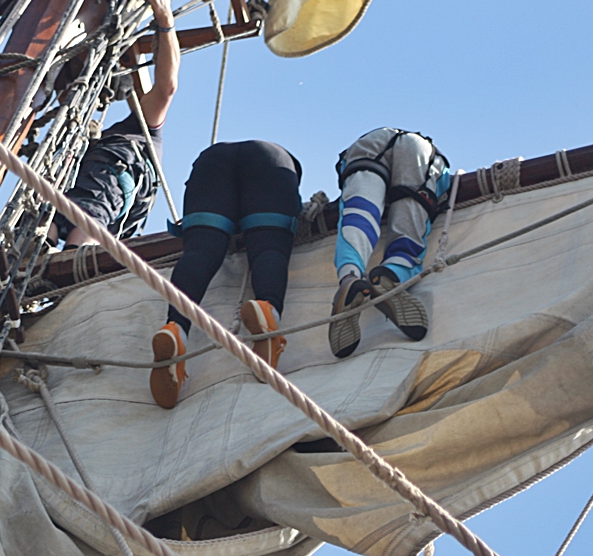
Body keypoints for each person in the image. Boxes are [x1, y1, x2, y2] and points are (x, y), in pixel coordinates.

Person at [150, 141, 303, 409]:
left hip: (211, 159)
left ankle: (175, 327)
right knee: (269, 246)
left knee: (199, 252)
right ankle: (267, 312)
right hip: (273, 159)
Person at [49, 0, 179, 247]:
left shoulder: (142, 131)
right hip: (81, 198)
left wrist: (165, 18)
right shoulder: (82, 142)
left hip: (106, 187)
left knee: (78, 231)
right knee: (36, 227)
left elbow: (166, 88)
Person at [328, 127, 451, 358]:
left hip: (369, 143)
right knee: (410, 228)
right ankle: (393, 271)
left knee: (359, 215)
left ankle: (350, 276)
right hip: (420, 149)